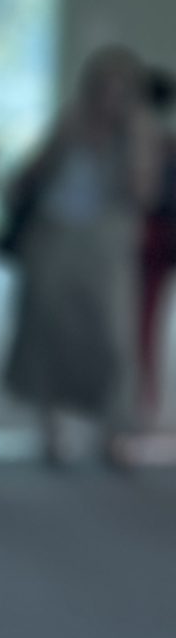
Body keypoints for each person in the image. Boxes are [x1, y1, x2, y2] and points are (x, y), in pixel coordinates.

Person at [0, 46, 163, 467]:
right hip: (54, 236)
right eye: (104, 86)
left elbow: (142, 193)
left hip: (105, 244)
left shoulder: (138, 131)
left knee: (113, 338)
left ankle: (114, 430)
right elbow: (33, 172)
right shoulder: (71, 122)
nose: (110, 96)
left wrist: (133, 136)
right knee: (50, 332)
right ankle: (52, 426)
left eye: (120, 88)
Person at [134, 67, 176, 424]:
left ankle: (143, 401)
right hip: (156, 235)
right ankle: (143, 400)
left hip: (153, 235)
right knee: (143, 322)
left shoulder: (149, 141)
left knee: (142, 322)